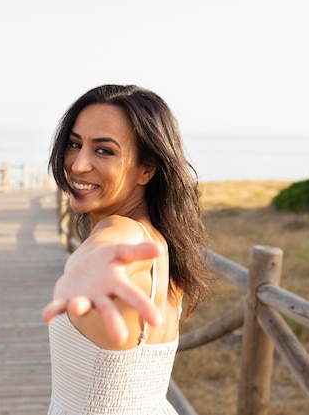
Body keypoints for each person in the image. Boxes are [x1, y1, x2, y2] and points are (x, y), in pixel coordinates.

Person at [41, 84, 211, 414]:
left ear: (146, 169)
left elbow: (114, 244)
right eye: (75, 144)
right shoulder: (160, 242)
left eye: (104, 151)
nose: (77, 165)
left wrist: (90, 266)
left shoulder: (122, 232)